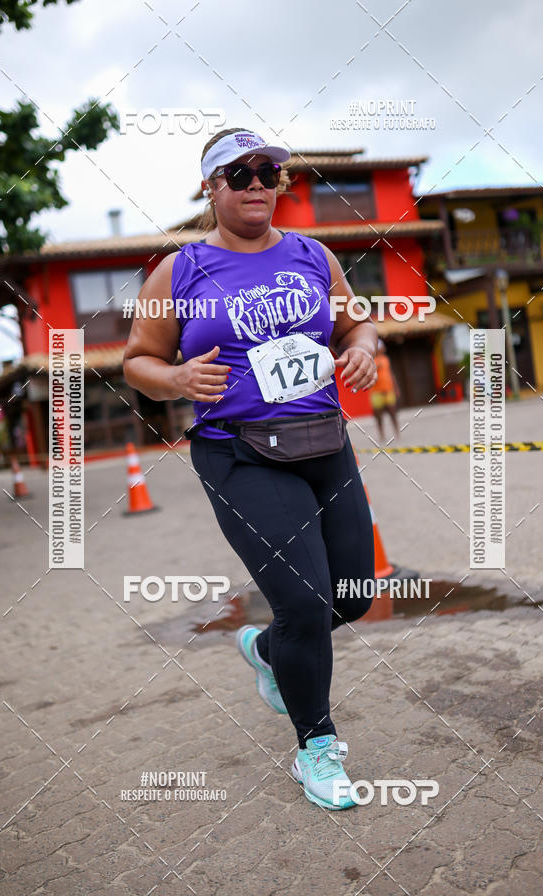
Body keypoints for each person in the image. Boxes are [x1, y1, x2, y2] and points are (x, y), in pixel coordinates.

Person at [123, 127, 380, 811]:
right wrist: (175, 377)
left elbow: (355, 325)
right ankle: (316, 746)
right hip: (237, 452)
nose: (258, 183)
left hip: (324, 441)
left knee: (350, 596)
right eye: (240, 174)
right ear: (211, 188)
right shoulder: (177, 272)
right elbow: (137, 361)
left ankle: (268, 651)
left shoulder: (312, 254)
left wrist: (365, 347)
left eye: (269, 172)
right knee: (302, 602)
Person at [369, 343, 400, 443]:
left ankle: (397, 432)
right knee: (378, 415)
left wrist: (396, 387)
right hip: (376, 392)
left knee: (393, 412)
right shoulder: (371, 360)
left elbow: (391, 373)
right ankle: (381, 434)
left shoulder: (386, 359)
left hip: (388, 390)